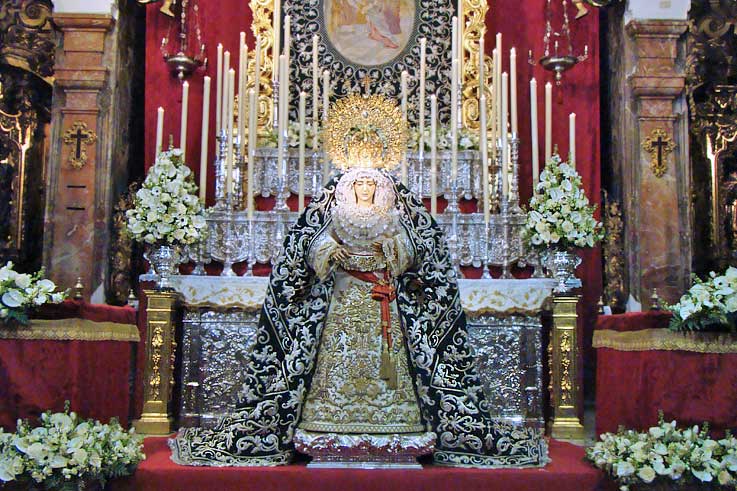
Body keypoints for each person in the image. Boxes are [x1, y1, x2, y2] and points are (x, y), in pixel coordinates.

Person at [169, 95, 548, 467]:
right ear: (349, 187)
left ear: (380, 187)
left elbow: (417, 248)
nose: (364, 189)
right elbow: (308, 245)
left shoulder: (392, 214)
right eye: (359, 184)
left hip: (384, 298)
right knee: (338, 356)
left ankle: (396, 423)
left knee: (390, 356)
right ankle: (327, 420)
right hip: (343, 299)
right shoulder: (336, 213)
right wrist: (328, 251)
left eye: (370, 184)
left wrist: (395, 250)